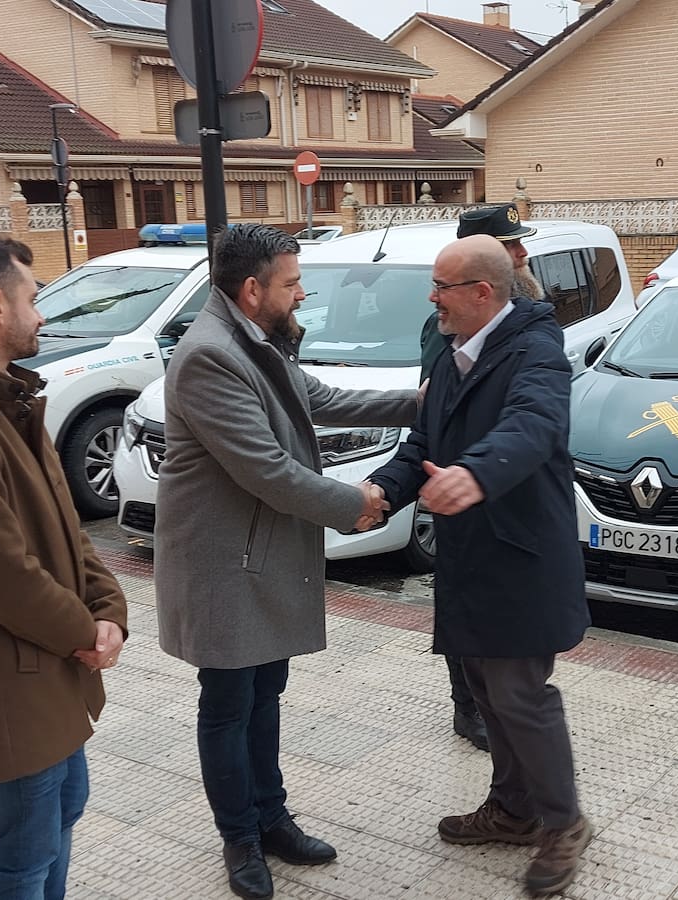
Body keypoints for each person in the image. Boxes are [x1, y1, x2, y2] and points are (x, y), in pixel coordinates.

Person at [154, 224, 419, 900]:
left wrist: (423, 402)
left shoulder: (254, 342)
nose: (303, 294)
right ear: (252, 289)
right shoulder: (211, 356)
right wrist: (355, 502)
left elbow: (322, 401)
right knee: (229, 703)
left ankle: (271, 817)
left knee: (264, 693)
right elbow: (265, 470)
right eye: (293, 283)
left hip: (259, 555)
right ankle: (239, 837)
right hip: (224, 563)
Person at [368, 234, 592, 896]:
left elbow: (534, 427)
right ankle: (515, 809)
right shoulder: (449, 355)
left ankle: (563, 822)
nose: (431, 298)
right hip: (469, 557)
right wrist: (382, 491)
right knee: (487, 692)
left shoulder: (537, 354)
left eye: (441, 287)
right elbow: (422, 444)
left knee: (521, 694)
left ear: (482, 294)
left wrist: (475, 472)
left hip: (521, 557)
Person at [0, 230, 128, 899]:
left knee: (62, 815)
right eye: (33, 297)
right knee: (24, 851)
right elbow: (2, 575)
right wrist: (86, 634)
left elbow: (66, 525)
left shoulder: (3, 395)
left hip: (49, 664)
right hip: (5, 678)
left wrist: (110, 611)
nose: (42, 314)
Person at [418, 203, 544, 753]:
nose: (522, 253)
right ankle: (467, 706)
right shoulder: (446, 327)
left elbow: (534, 420)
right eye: (511, 244)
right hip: (458, 492)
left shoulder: (535, 324)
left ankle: (525, 793)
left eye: (518, 245)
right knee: (464, 615)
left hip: (507, 496)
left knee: (515, 668)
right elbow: (433, 407)